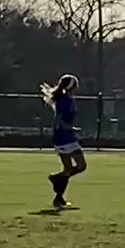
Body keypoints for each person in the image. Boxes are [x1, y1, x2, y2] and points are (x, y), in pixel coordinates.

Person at [42, 74, 86, 209]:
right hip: (63, 138)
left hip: (66, 137)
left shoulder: (67, 99)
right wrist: (71, 128)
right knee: (80, 166)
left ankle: (58, 196)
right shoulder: (64, 100)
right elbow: (58, 120)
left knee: (70, 169)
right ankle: (57, 181)